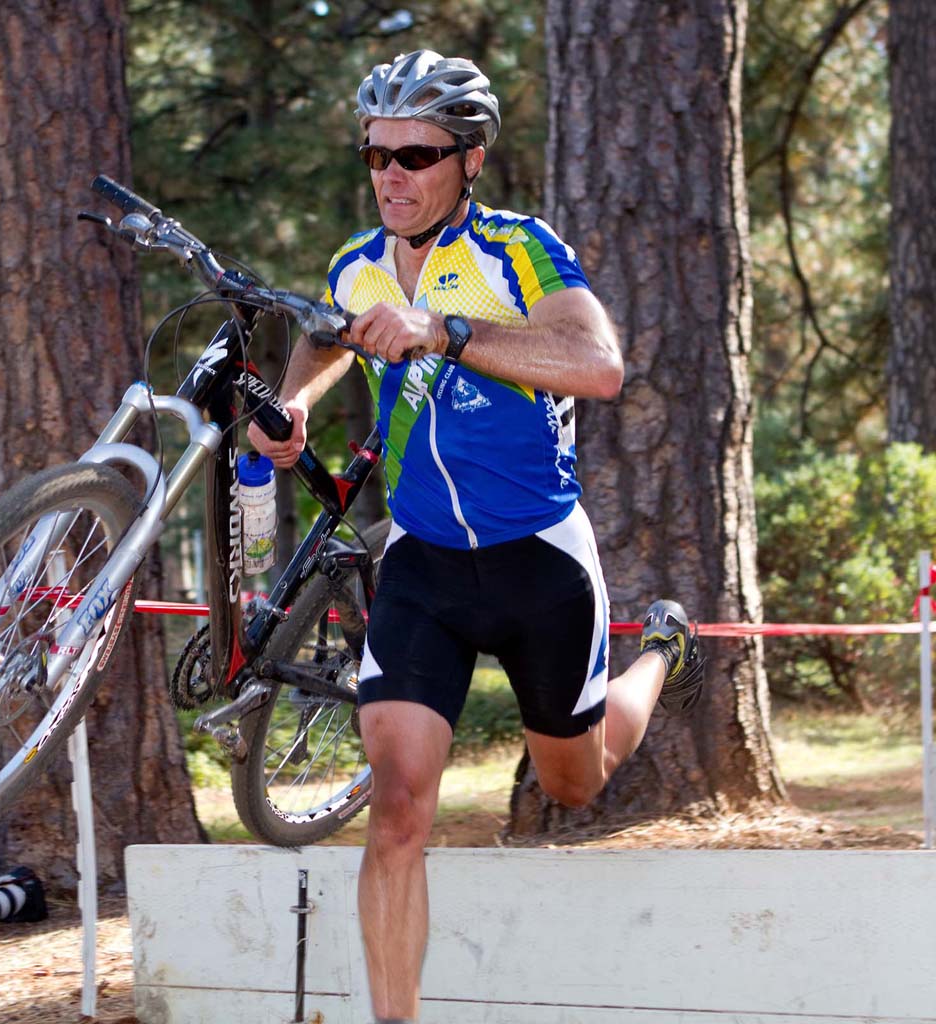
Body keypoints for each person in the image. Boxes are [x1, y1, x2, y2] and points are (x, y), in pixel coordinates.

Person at [247, 49, 707, 1024]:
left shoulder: (515, 250)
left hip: (538, 560)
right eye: (373, 153)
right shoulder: (356, 261)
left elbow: (596, 363)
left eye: (414, 153)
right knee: (399, 803)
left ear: (469, 159)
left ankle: (659, 649)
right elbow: (329, 335)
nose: (390, 174)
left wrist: (445, 331)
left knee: (570, 783)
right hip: (418, 564)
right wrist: (288, 408)